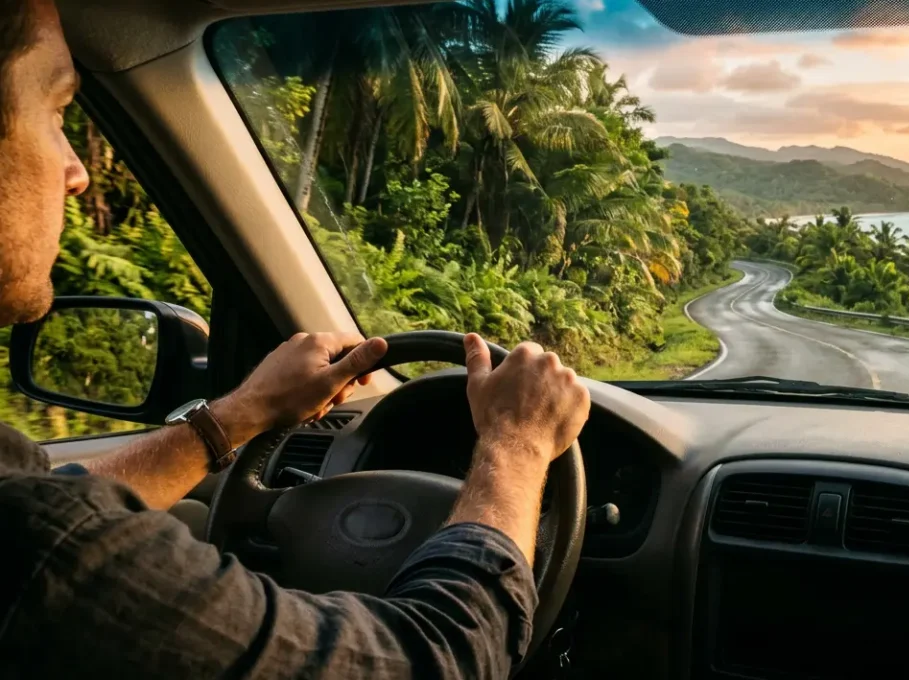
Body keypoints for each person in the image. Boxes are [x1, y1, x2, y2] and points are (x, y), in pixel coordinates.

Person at [0, 0, 591, 676]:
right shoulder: (34, 551)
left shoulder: (29, 523)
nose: (77, 169)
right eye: (56, 111)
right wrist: (517, 445)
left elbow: (59, 499)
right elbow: (442, 656)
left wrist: (239, 414)